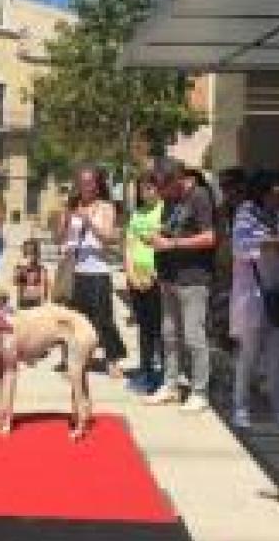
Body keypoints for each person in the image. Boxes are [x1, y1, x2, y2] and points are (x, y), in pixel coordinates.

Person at [228, 169, 279, 430]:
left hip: (277, 295)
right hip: (252, 296)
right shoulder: (245, 214)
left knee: (278, 356)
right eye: (277, 190)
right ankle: (241, 407)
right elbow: (240, 248)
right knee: (248, 355)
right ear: (263, 191)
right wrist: (276, 242)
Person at [145, 160, 217, 412]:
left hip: (193, 278)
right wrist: (157, 236)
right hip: (169, 276)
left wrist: (172, 244)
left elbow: (210, 237)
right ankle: (170, 385)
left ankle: (200, 392)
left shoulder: (200, 196)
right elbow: (172, 230)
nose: (161, 194)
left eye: (163, 188)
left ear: (177, 180)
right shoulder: (170, 200)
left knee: (194, 336)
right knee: (169, 334)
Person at [58, 166, 125, 378]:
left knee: (102, 318)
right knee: (76, 318)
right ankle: (78, 359)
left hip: (97, 270)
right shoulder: (71, 206)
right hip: (74, 269)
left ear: (97, 185)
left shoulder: (106, 207)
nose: (84, 186)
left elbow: (109, 238)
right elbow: (60, 238)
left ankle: (112, 359)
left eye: (89, 182)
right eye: (81, 182)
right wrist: (64, 222)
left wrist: (89, 222)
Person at [124, 169, 165, 395]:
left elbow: (164, 244)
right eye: (142, 188)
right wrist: (130, 274)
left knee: (160, 329)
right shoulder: (137, 213)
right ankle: (146, 370)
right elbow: (129, 245)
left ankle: (163, 375)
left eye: (149, 187)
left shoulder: (164, 211)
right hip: (137, 278)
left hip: (156, 278)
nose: (145, 192)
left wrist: (154, 274)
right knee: (144, 328)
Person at [13, 239, 48, 309]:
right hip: (24, 301)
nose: (29, 256)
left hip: (36, 300)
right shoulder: (20, 267)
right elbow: (15, 282)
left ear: (37, 255)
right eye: (26, 253)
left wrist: (44, 297)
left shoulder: (40, 269)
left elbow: (45, 286)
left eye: (32, 253)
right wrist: (20, 271)